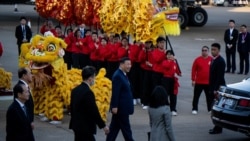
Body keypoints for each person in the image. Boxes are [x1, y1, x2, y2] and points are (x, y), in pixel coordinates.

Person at [69, 66, 109, 141]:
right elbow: (94, 111)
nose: (94, 80)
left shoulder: (75, 90)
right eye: (94, 77)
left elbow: (72, 108)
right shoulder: (88, 92)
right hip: (85, 127)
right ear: (90, 78)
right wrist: (103, 126)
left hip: (76, 125)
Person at [106, 57, 134, 141]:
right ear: (121, 64)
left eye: (130, 64)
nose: (129, 66)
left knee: (113, 130)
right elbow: (115, 92)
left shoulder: (123, 74)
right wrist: (114, 106)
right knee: (127, 132)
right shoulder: (118, 76)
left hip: (122, 109)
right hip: (121, 109)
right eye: (127, 64)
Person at [208, 43, 226, 134]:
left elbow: (219, 77)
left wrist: (215, 89)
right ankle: (217, 127)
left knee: (217, 108)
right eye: (212, 49)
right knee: (214, 108)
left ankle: (218, 128)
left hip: (218, 88)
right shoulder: (213, 60)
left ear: (218, 50)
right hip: (212, 86)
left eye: (214, 49)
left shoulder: (221, 61)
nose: (212, 51)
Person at [191, 46, 213, 115]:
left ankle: (210, 109)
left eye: (205, 50)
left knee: (209, 97)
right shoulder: (197, 60)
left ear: (208, 51)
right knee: (196, 96)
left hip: (208, 82)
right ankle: (194, 109)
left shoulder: (211, 59)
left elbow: (215, 71)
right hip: (199, 82)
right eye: (203, 50)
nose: (204, 52)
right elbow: (193, 70)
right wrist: (193, 80)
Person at [161, 50, 181, 116]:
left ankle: (173, 109)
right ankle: (165, 108)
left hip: (173, 80)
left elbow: (177, 70)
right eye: (168, 54)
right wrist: (172, 61)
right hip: (166, 79)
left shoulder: (174, 63)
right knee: (165, 94)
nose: (169, 56)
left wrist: (179, 73)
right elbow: (167, 66)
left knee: (173, 95)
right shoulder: (164, 62)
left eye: (171, 54)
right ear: (166, 56)